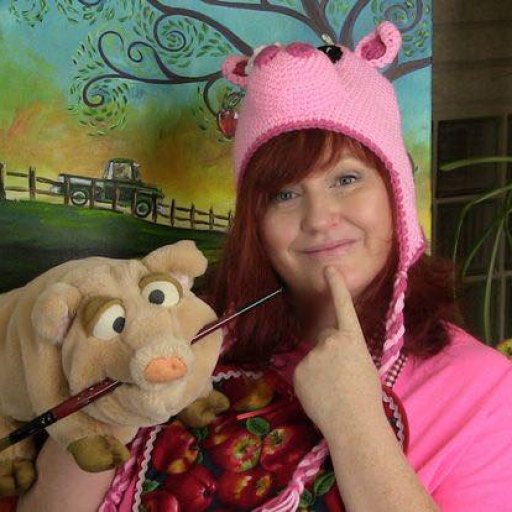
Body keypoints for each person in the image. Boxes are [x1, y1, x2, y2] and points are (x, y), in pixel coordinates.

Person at [16, 22, 512, 512]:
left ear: (395, 191)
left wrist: (357, 423)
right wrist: (112, 396)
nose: (318, 219)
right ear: (255, 222)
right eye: (285, 194)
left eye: (346, 179)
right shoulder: (187, 339)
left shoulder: (485, 393)